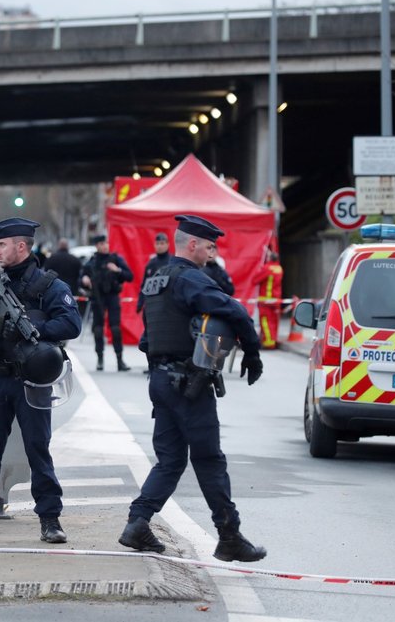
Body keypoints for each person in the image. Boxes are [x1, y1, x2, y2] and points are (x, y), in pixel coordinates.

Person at [119, 214, 267, 563]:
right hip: (188, 383)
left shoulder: (156, 280)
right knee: (209, 459)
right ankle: (229, 535)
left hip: (161, 380)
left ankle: (136, 523)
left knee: (170, 460)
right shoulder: (191, 280)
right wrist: (253, 354)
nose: (211, 253)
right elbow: (237, 312)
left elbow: (146, 339)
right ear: (192, 245)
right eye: (209, 246)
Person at [0, 217, 82, 544]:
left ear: (22, 246)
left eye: (2, 244)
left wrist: (34, 330)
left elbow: (71, 324)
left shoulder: (50, 287)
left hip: (32, 382)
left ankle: (50, 520)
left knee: (38, 450)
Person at [81, 234, 134, 371]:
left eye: (106, 243)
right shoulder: (91, 262)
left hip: (112, 297)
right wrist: (84, 279)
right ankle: (100, 359)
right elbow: (81, 278)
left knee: (115, 329)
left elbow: (129, 276)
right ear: (97, 246)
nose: (104, 246)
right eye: (101, 244)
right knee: (98, 330)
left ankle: (119, 360)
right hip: (98, 298)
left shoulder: (115, 259)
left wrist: (117, 270)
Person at [252, 250, 284, 349]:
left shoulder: (267, 268)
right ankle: (273, 340)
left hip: (265, 299)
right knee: (274, 321)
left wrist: (259, 269)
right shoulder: (279, 268)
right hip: (276, 299)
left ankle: (268, 342)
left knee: (266, 321)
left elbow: (255, 280)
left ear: (269, 258)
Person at [136, 232, 172, 314]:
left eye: (162, 243)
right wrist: (140, 303)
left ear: (167, 244)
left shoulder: (173, 261)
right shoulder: (151, 264)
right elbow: (145, 285)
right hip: (153, 302)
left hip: (169, 302)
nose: (159, 246)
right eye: (157, 243)